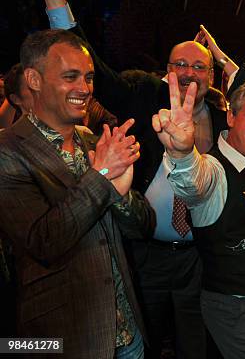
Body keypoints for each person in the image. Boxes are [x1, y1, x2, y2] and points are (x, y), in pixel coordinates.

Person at [27, 0, 245, 356]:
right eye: (179, 64)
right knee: (145, 343)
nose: (188, 72)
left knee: (193, 347)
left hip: (201, 258)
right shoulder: (143, 95)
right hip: (144, 254)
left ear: (211, 75)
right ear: (166, 71)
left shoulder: (221, 116)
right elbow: (98, 71)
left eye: (199, 67)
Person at [0, 29, 155, 358]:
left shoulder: (93, 140)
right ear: (34, 79)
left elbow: (142, 228)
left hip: (128, 334)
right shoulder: (7, 150)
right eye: (70, 77)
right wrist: (101, 177)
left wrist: (123, 196)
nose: (84, 89)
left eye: (88, 77)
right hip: (65, 339)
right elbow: (44, 242)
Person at [153, 77, 245, 358]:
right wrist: (182, 153)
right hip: (238, 307)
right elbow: (192, 182)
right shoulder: (213, 169)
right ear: (230, 116)